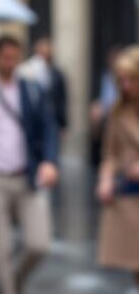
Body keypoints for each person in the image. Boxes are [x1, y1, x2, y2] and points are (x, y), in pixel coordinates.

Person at [0, 34, 59, 294]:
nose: (10, 62)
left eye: (14, 57)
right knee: (1, 250)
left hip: (26, 175)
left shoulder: (31, 89)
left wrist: (50, 161)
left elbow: (48, 128)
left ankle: (15, 282)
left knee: (39, 244)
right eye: (5, 57)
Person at [96, 46, 139, 289]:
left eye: (131, 79)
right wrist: (105, 178)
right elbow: (110, 153)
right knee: (136, 264)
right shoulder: (118, 110)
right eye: (121, 80)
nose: (125, 86)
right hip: (131, 195)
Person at [20, 37, 68, 132]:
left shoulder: (56, 74)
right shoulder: (27, 70)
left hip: (51, 118)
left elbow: (61, 99)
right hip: (33, 119)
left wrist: (63, 123)